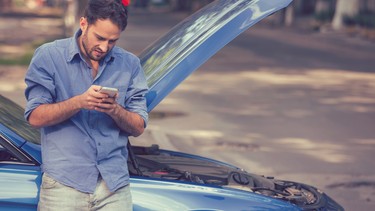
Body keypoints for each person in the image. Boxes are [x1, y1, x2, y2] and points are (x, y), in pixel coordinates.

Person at [24, 0, 148, 210]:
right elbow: (35, 117)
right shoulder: (49, 56)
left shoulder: (130, 64)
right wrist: (79, 102)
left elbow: (138, 127)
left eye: (112, 41)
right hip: (63, 186)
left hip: (114, 187)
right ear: (83, 24)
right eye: (99, 38)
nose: (104, 47)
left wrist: (114, 110)